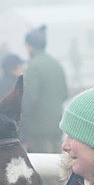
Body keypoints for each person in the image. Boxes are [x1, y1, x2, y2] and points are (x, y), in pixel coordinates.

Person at [22, 24, 68, 152]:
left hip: (38, 128)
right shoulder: (56, 64)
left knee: (43, 166)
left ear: (29, 46)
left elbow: (30, 98)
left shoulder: (32, 66)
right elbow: (65, 94)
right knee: (59, 164)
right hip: (58, 123)